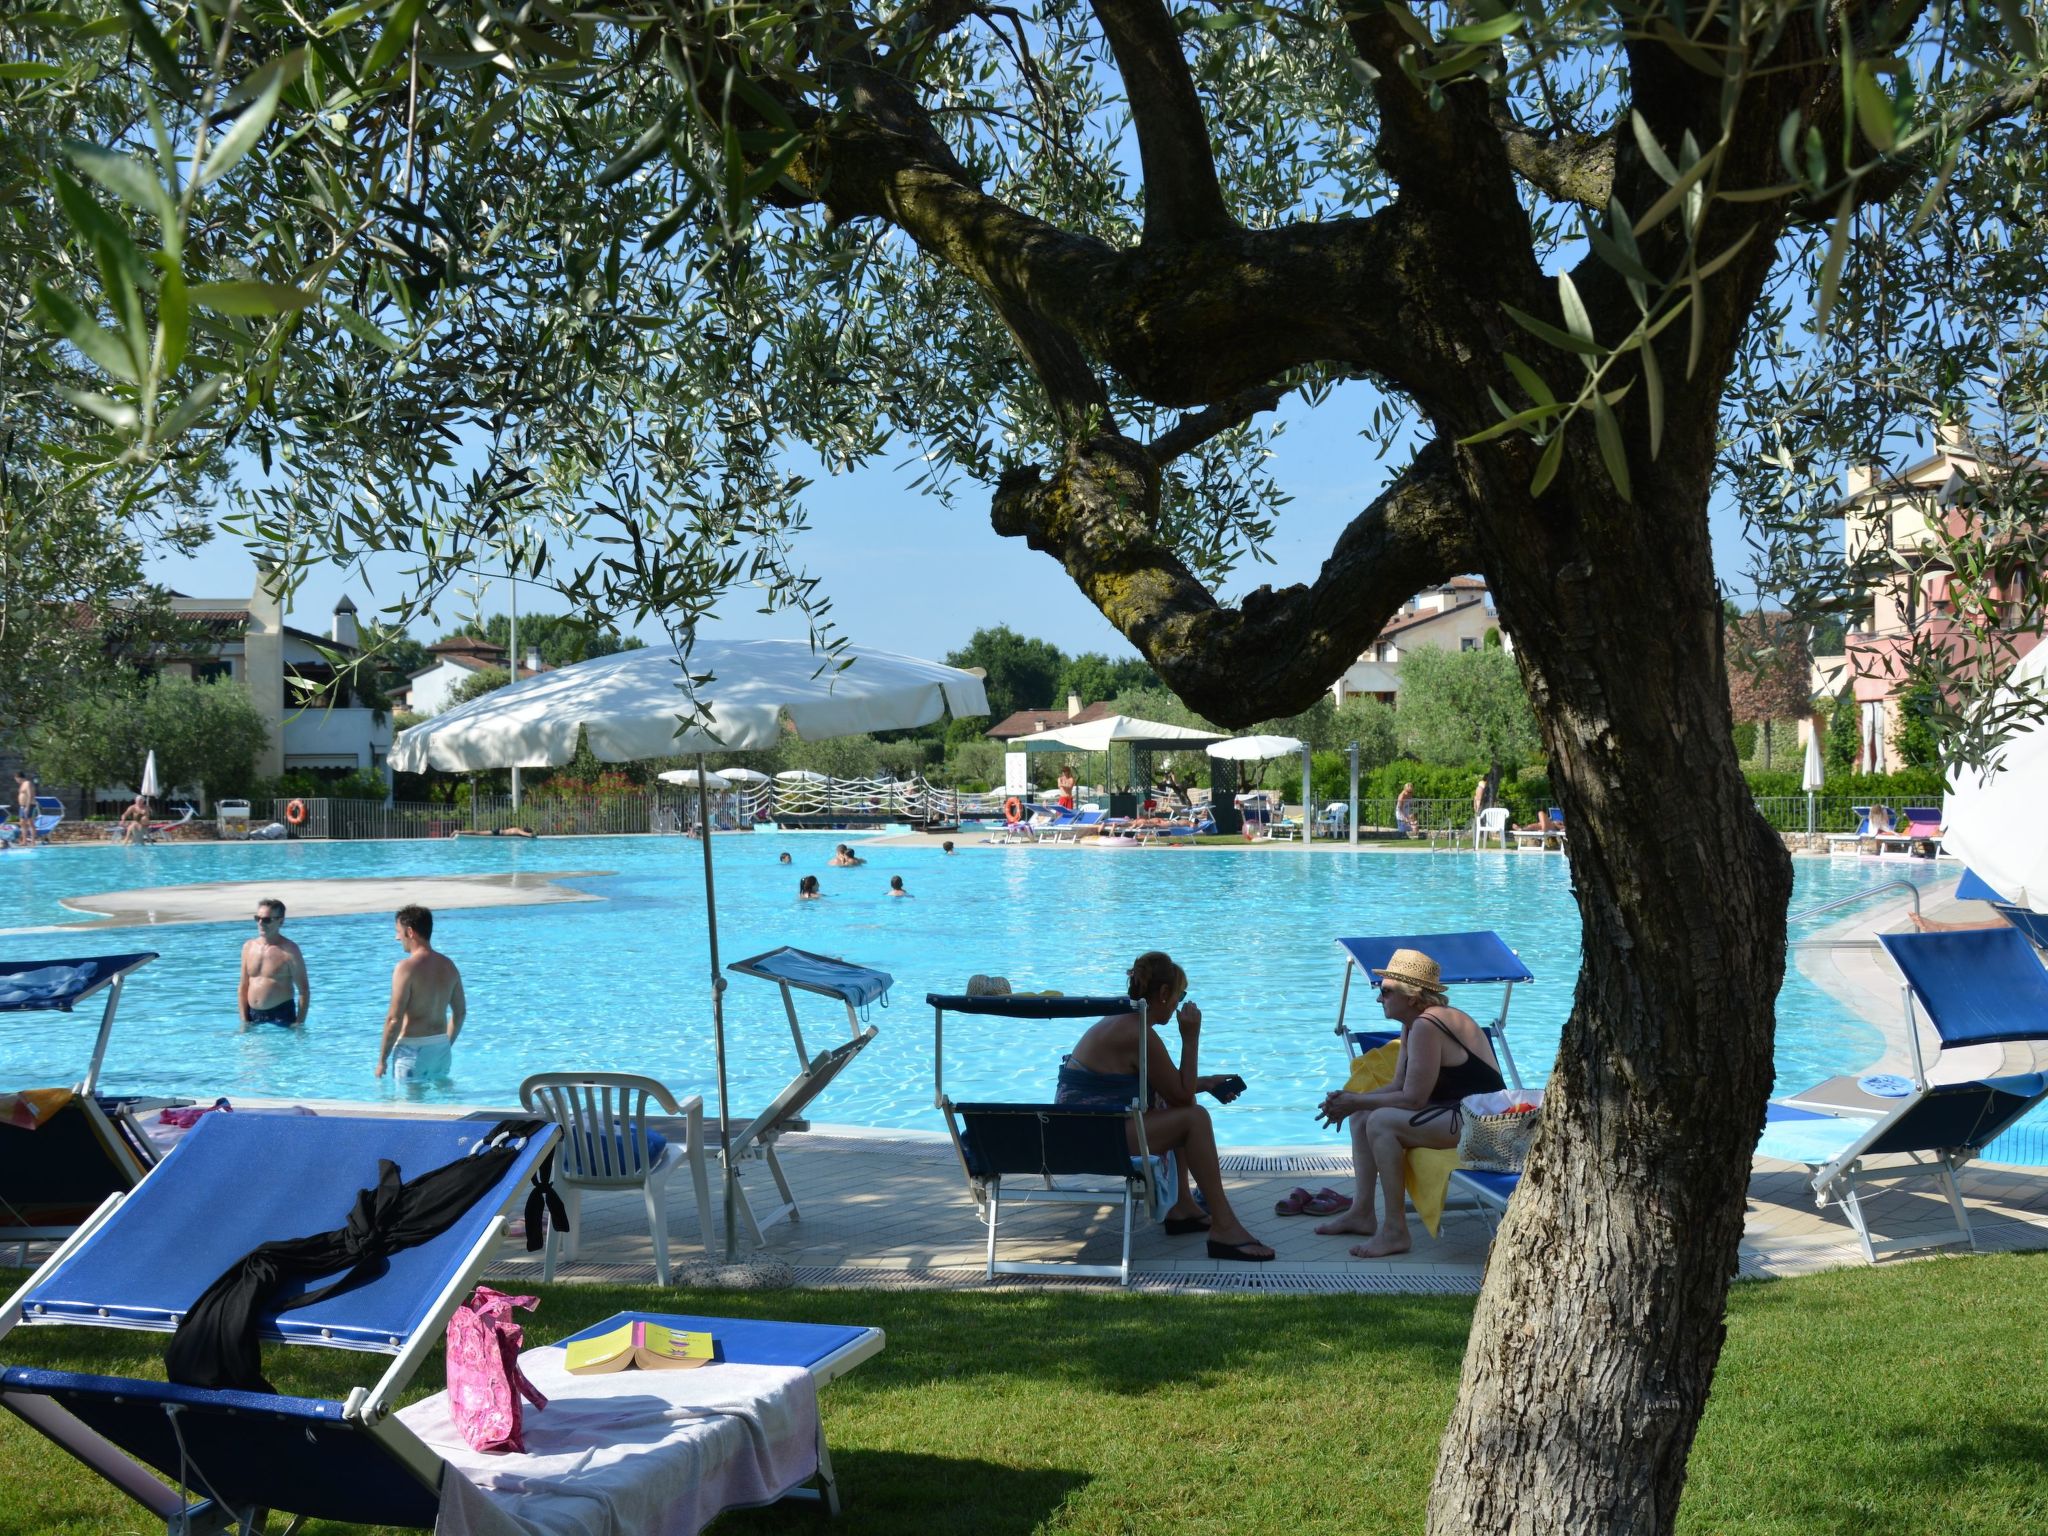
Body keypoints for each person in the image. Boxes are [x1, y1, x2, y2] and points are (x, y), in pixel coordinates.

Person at [1056, 951, 1274, 1262]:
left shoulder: (1122, 1020)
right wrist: (1191, 1038)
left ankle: (1182, 1207)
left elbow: (1172, 1087)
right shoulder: (1138, 1033)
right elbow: (1182, 1097)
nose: (1179, 1003)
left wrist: (1207, 1081)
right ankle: (1225, 1227)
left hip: (1081, 1130)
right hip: (1096, 1138)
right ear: (1163, 994)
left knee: (1182, 1108)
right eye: (1180, 995)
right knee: (1193, 1118)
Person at [1313, 948, 1503, 1259]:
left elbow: (1413, 1100)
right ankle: (1362, 1212)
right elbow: (1398, 1086)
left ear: (1412, 996)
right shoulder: (1413, 1023)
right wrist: (1350, 1102)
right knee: (1362, 1116)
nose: (1379, 999)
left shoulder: (1429, 1025)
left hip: (1484, 1125)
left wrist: (1355, 1101)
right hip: (1456, 1112)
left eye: (1385, 992)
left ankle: (1395, 1231)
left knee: (1380, 1122)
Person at [376, 904, 463, 1082]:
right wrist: (445, 1044)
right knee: (443, 1107)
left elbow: (394, 1019)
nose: (396, 937)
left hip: (412, 1051)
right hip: (440, 1049)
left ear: (409, 932)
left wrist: (382, 1060)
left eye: (398, 931)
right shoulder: (449, 965)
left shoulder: (405, 968)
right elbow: (460, 1013)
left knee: (407, 1108)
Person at [239, 898, 310, 1029]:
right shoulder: (248, 947)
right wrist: (244, 1021)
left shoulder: (290, 950)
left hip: (281, 1015)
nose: (261, 923)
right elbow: (243, 986)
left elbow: (304, 990)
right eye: (257, 918)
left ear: (280, 921)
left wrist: (299, 1025)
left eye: (266, 920)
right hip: (253, 1015)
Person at [14, 771, 37, 847]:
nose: (16, 781)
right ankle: (24, 841)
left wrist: (27, 807)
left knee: (30, 823)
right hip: (22, 806)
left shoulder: (28, 783)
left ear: (19, 777)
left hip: (29, 805)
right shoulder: (22, 785)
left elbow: (30, 795)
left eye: (16, 779)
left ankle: (33, 842)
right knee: (22, 823)